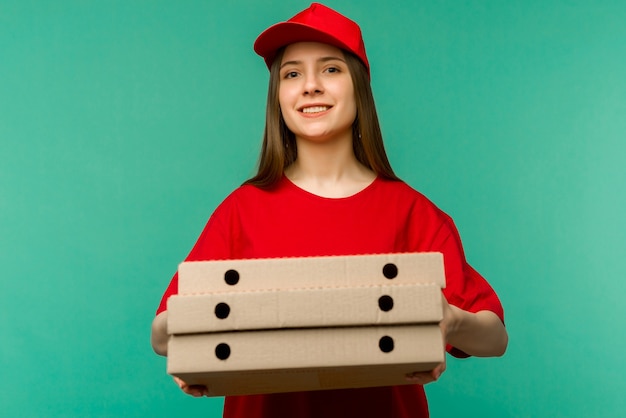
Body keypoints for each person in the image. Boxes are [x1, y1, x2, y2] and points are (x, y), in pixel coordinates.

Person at [151, 3, 508, 417]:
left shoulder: (410, 211)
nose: (310, 86)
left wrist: (450, 320)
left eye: (331, 69)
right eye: (292, 73)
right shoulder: (242, 210)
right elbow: (161, 333)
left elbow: (495, 337)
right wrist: (190, 343)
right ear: (278, 98)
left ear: (359, 86)